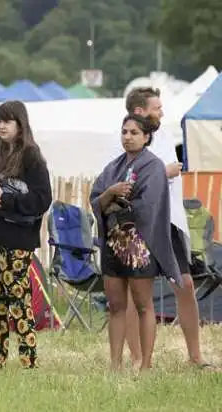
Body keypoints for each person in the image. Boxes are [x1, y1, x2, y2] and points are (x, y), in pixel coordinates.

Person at [116, 87, 215, 370]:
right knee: (138, 293)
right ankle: (137, 358)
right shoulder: (124, 140)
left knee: (185, 284)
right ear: (139, 112)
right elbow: (126, 181)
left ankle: (195, 357)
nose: (161, 112)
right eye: (156, 108)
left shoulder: (163, 138)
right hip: (140, 225)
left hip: (169, 223)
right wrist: (163, 170)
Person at [91, 114, 183, 371]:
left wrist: (116, 204)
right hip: (113, 245)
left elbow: (149, 206)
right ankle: (115, 364)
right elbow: (96, 198)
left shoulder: (154, 167)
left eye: (133, 133)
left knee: (143, 306)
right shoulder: (113, 167)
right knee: (116, 306)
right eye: (124, 132)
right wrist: (111, 193)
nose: (128, 137)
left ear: (146, 137)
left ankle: (146, 365)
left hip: (140, 247)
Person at [0, 100, 52, 369]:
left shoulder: (32, 157)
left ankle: (28, 360)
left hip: (17, 240)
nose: (1, 126)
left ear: (20, 124)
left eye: (7, 121)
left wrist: (8, 202)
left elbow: (42, 200)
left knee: (18, 299)